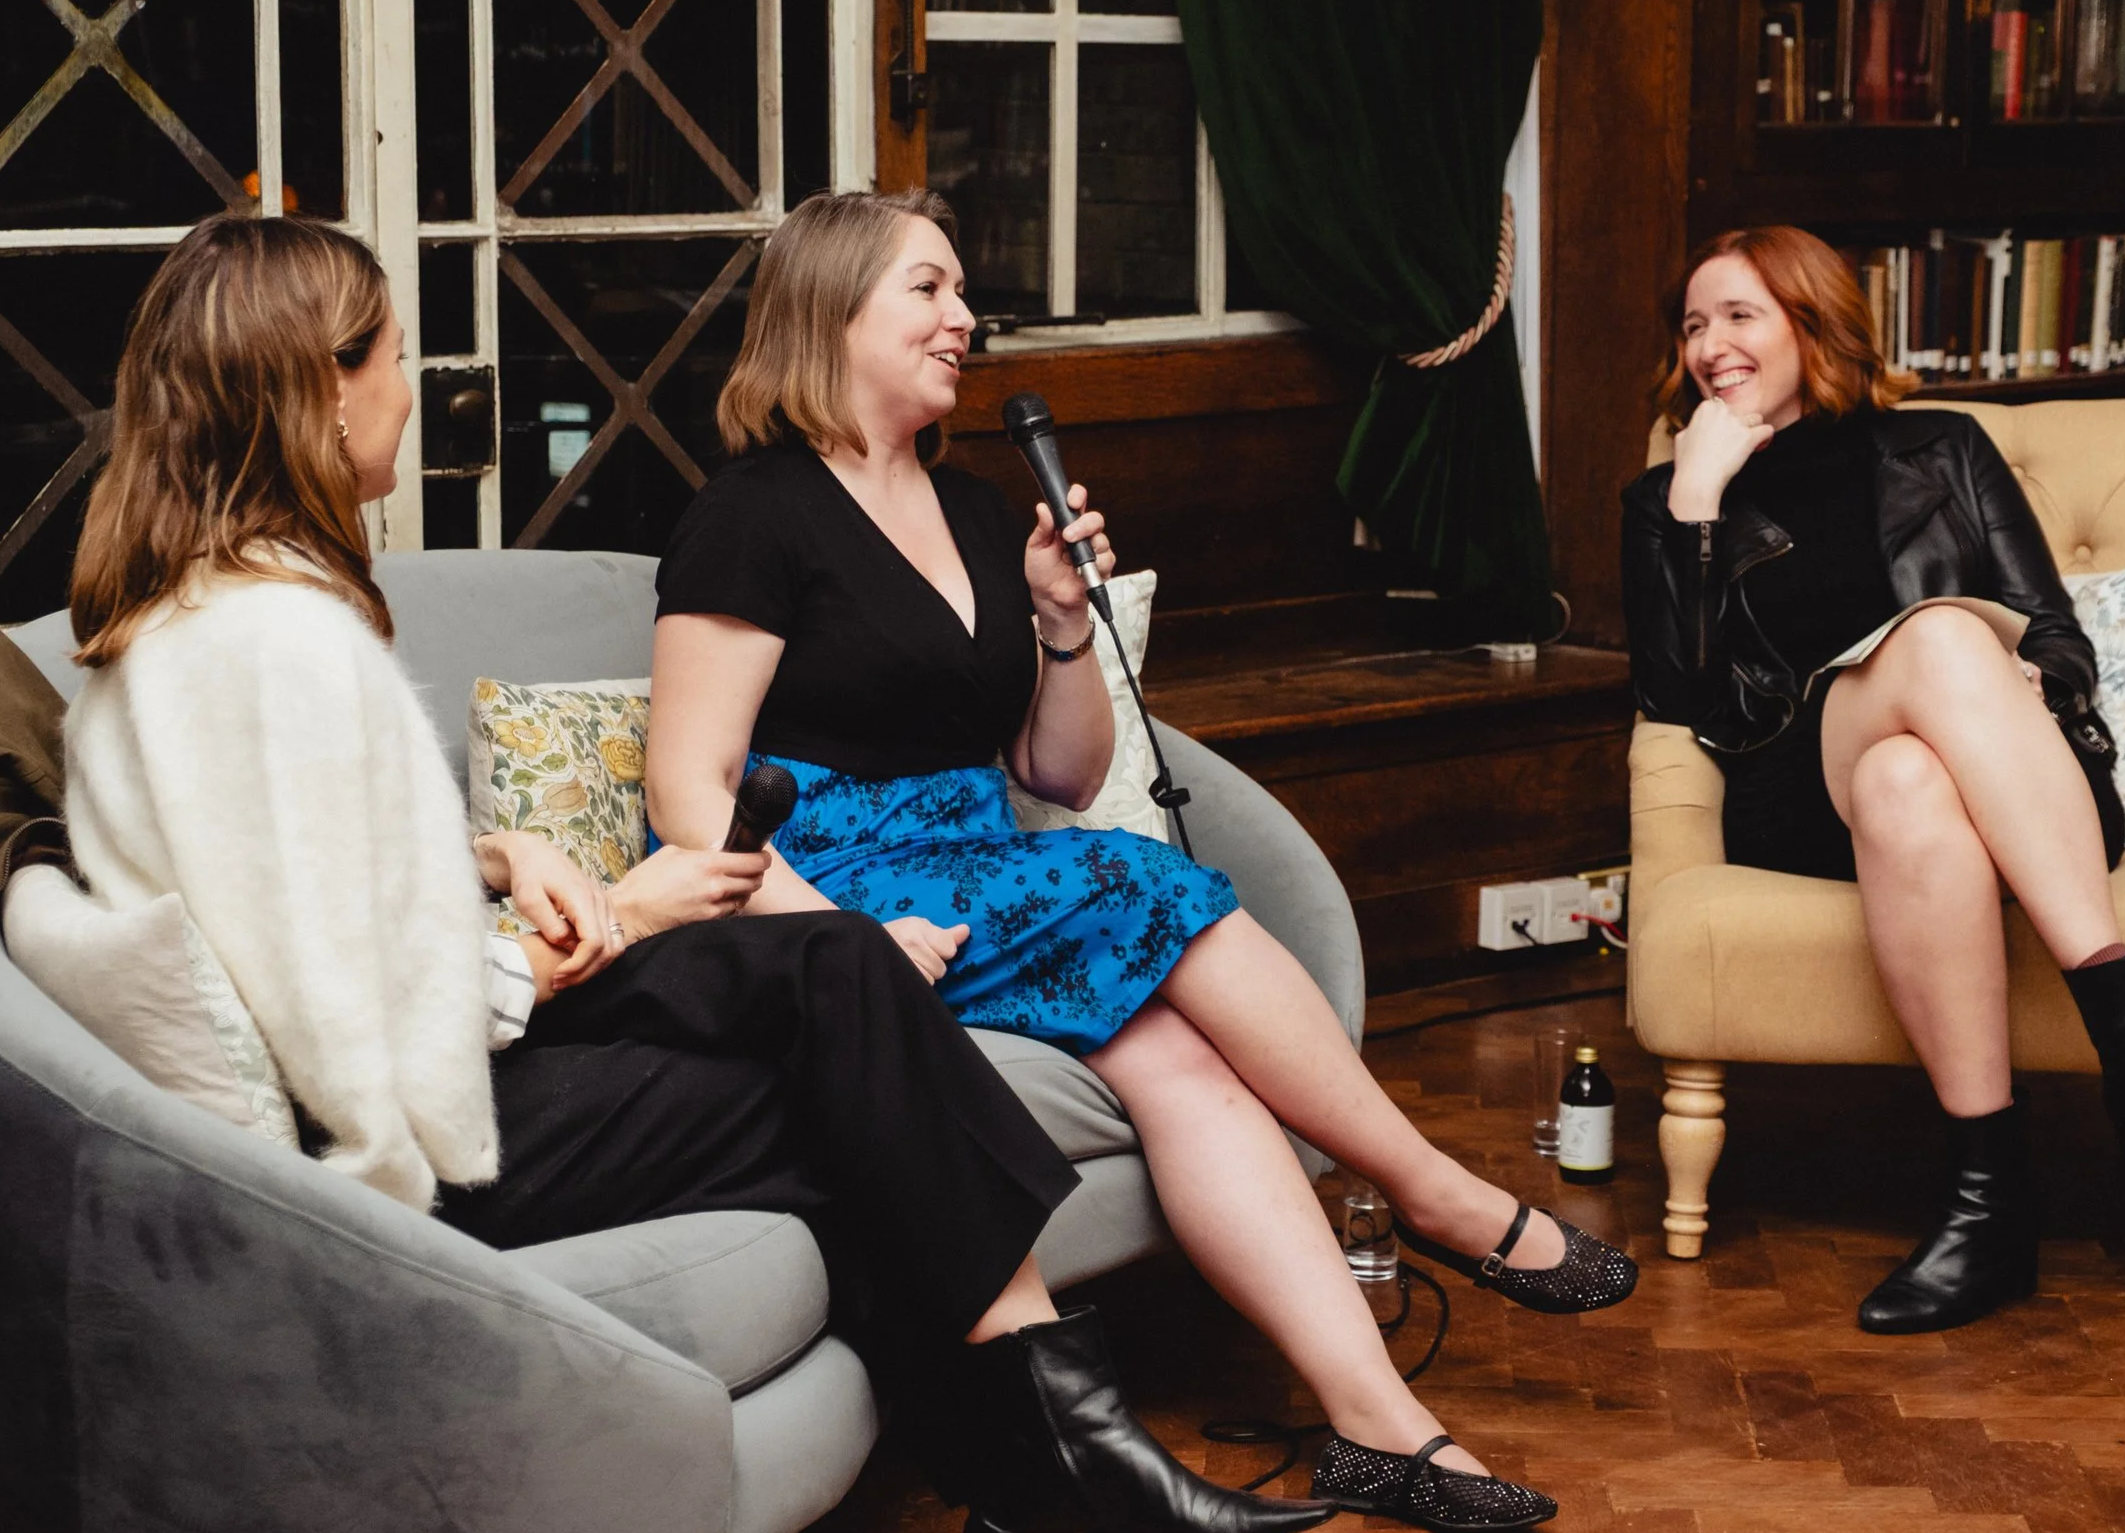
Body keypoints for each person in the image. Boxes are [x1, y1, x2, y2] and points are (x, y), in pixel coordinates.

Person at [55, 211, 1336, 1533]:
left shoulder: (231, 607)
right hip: (394, 1131)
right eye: (390, 353)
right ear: (320, 393)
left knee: (834, 967)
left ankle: (1044, 1465)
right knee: (855, 1074)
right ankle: (1064, 1461)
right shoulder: (269, 648)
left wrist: (495, 847)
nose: (410, 385)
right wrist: (619, 913)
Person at [644, 187, 1637, 1533]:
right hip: (824, 885)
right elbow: (688, 792)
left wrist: (1061, 622)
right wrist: (844, 945)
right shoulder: (752, 513)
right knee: (1132, 875)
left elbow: (1052, 773)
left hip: (973, 865)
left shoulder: (977, 512)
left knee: (1177, 1061)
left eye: (961, 291)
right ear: (830, 312)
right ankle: (1431, 1191)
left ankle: (1379, 1429)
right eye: (928, 289)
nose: (963, 318)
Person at [1621, 224, 2125, 1335]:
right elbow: (1678, 696)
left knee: (1909, 772)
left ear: (1812, 322)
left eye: (1740, 315)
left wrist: (2020, 682)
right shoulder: (1667, 498)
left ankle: (1988, 1209)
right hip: (1802, 789)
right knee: (1932, 644)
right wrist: (1696, 508)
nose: (1709, 344)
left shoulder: (1941, 448)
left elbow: (2055, 633)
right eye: (1694, 324)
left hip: (2004, 775)